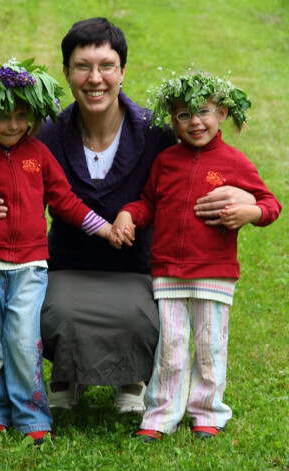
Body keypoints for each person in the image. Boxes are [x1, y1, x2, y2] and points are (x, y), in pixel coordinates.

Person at [0, 18, 257, 413]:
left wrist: (244, 200)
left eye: (106, 65)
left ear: (122, 71)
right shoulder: (44, 136)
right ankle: (65, 375)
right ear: (66, 72)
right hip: (65, 267)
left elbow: (201, 164)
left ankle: (131, 377)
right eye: (83, 66)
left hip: (136, 268)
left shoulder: (153, 134)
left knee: (143, 313)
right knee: (50, 310)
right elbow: (4, 183)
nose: (95, 78)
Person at [0, 58, 113, 444]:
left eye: (21, 115)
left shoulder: (37, 155)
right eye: (2, 116)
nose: (13, 125)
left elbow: (64, 200)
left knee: (24, 341)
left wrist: (105, 227)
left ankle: (31, 416)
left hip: (30, 267)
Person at [111, 71, 282, 441]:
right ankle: (160, 415)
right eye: (183, 115)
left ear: (221, 113)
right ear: (173, 120)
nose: (194, 122)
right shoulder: (166, 161)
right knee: (170, 348)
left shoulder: (234, 162)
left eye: (202, 111)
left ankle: (207, 411)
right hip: (169, 272)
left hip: (213, 271)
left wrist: (249, 212)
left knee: (209, 345)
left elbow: (271, 204)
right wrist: (128, 214)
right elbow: (148, 203)